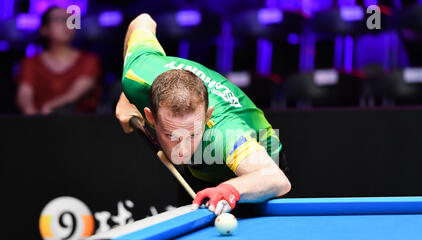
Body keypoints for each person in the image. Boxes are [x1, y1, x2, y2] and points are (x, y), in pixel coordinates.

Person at [116, 13, 291, 216]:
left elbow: (276, 180)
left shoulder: (225, 133)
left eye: (191, 134)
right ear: (151, 116)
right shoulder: (136, 74)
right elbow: (143, 20)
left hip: (256, 173)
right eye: (172, 136)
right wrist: (127, 96)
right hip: (202, 170)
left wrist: (227, 190)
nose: (181, 149)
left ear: (207, 117)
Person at [16, 6, 101, 115]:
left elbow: (75, 94)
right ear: (44, 29)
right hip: (38, 124)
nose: (67, 25)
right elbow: (24, 93)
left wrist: (49, 107)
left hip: (80, 125)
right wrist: (31, 115)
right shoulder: (31, 63)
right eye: (58, 20)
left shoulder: (89, 60)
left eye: (70, 20)